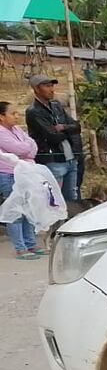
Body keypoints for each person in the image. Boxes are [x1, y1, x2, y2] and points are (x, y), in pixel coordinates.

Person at [25, 74, 81, 204]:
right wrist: (69, 130)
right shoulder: (34, 112)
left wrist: (63, 127)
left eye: (52, 85)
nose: (51, 89)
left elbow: (77, 126)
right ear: (36, 89)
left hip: (69, 157)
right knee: (53, 200)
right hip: (52, 160)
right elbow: (52, 137)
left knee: (71, 199)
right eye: (47, 86)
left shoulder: (56, 105)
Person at [0, 101, 43, 259]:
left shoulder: (17, 129)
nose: (16, 117)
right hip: (9, 173)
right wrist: (26, 146)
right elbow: (22, 148)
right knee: (15, 210)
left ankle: (31, 243)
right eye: (13, 114)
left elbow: (32, 148)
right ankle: (20, 247)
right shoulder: (1, 132)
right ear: (1, 116)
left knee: (28, 208)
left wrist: (26, 146)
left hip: (25, 172)